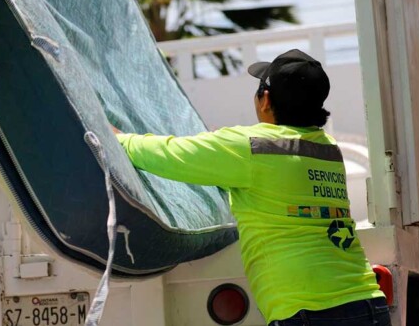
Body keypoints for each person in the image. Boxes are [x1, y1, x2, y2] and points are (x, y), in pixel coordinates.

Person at [114, 49, 389, 326]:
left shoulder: (253, 148)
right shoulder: (327, 150)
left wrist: (118, 139)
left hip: (309, 312)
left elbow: (168, 154)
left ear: (266, 99)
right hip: (367, 302)